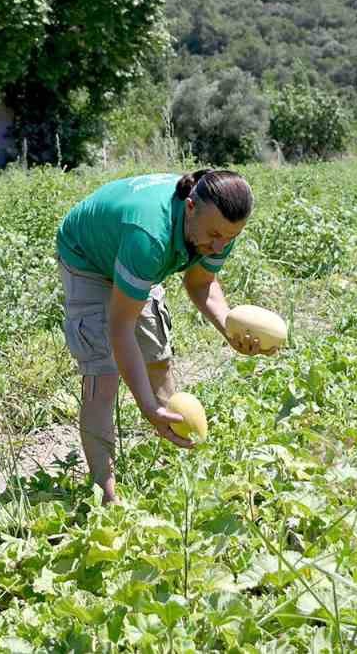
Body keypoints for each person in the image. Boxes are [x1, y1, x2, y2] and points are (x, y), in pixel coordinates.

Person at [54, 168, 270, 503]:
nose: (219, 246)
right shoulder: (149, 237)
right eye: (215, 235)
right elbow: (120, 328)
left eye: (229, 238)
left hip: (134, 253)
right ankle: (106, 498)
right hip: (88, 257)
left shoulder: (220, 227)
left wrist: (232, 331)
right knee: (103, 378)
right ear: (190, 208)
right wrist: (147, 408)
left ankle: (178, 466)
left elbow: (201, 283)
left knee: (158, 358)